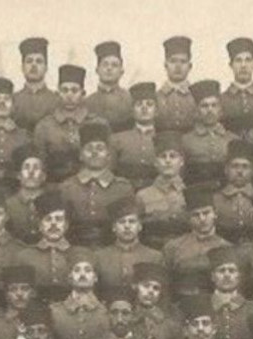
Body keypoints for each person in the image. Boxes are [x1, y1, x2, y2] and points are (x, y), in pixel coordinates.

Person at [61, 120, 136, 249]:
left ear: (108, 155)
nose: (94, 152)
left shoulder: (123, 188)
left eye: (100, 148)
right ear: (81, 155)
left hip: (111, 250)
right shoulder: (68, 187)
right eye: (89, 148)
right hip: (77, 249)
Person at [34, 63, 91, 181]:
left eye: (74, 90)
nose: (69, 95)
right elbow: (40, 163)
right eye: (64, 90)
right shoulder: (44, 126)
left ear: (83, 94)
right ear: (58, 93)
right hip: (54, 185)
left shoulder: (95, 123)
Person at [180, 80, 232, 185]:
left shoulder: (232, 139)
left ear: (220, 110)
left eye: (214, 105)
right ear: (197, 110)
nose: (210, 110)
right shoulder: (185, 140)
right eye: (204, 106)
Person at [110, 82, 159, 182]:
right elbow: (109, 172)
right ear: (132, 111)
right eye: (139, 104)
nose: (144, 108)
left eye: (149, 104)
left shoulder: (164, 139)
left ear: (157, 111)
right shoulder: (117, 139)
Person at [221, 37, 253, 135]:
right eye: (238, 60)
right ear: (231, 65)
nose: (243, 65)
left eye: (248, 60)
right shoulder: (222, 99)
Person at [154, 36, 199, 137]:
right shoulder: (156, 97)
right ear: (166, 65)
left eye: (183, 61)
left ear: (190, 66)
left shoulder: (197, 97)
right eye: (173, 61)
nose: (178, 66)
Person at [12, 38, 59, 132]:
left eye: (39, 61)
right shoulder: (13, 100)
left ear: (46, 67)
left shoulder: (56, 100)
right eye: (29, 61)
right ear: (22, 67)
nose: (34, 65)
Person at [86, 40, 135, 131]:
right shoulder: (87, 102)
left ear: (121, 71)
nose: (109, 68)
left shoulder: (130, 99)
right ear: (97, 69)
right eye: (105, 64)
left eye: (114, 65)